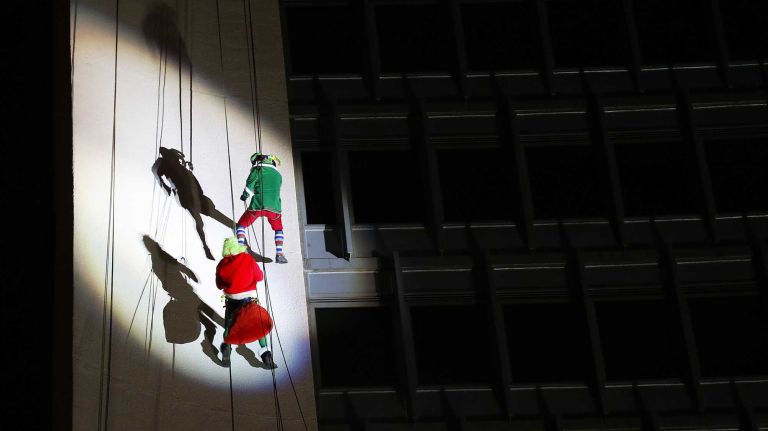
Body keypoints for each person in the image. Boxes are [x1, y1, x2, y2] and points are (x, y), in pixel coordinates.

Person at [215, 237, 276, 369]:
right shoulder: (248, 259)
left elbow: (219, 285)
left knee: (229, 326)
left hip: (231, 300)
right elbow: (259, 277)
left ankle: (226, 349)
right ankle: (266, 354)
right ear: (238, 248)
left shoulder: (221, 264)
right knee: (258, 324)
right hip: (249, 299)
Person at [236, 152, 288, 264]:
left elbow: (249, 188)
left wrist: (244, 197)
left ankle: (240, 249)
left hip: (257, 206)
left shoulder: (257, 170)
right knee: (278, 229)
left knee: (241, 225)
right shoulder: (278, 175)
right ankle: (279, 253)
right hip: (275, 209)